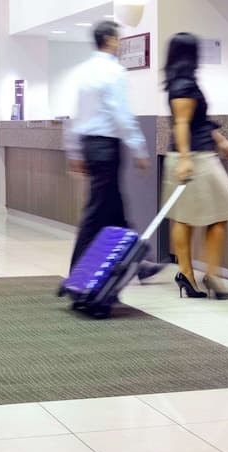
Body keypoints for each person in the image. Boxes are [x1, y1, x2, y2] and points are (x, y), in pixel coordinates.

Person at [64, 19, 164, 281]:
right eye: (118, 39)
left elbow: (75, 115)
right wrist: (139, 147)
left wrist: (75, 152)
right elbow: (121, 113)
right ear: (109, 40)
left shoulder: (84, 71)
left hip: (89, 145)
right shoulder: (113, 71)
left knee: (115, 207)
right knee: (97, 211)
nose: (120, 44)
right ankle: (77, 275)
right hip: (106, 147)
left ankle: (138, 262)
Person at [162, 32, 228, 300]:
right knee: (210, 215)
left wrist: (222, 142)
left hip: (195, 155)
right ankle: (201, 275)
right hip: (194, 158)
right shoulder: (184, 85)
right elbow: (182, 123)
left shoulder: (181, 82)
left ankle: (199, 274)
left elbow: (199, 122)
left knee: (190, 218)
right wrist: (186, 158)